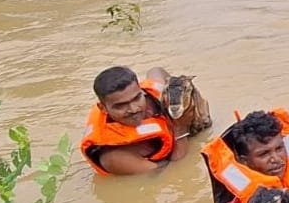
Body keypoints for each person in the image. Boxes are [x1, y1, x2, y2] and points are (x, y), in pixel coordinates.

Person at [80, 66, 210, 176]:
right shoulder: (114, 157)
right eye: (121, 105)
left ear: (141, 91)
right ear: (103, 108)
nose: (134, 109)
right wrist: (180, 128)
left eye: (137, 98)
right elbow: (173, 174)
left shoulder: (154, 96)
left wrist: (200, 109)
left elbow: (157, 71)